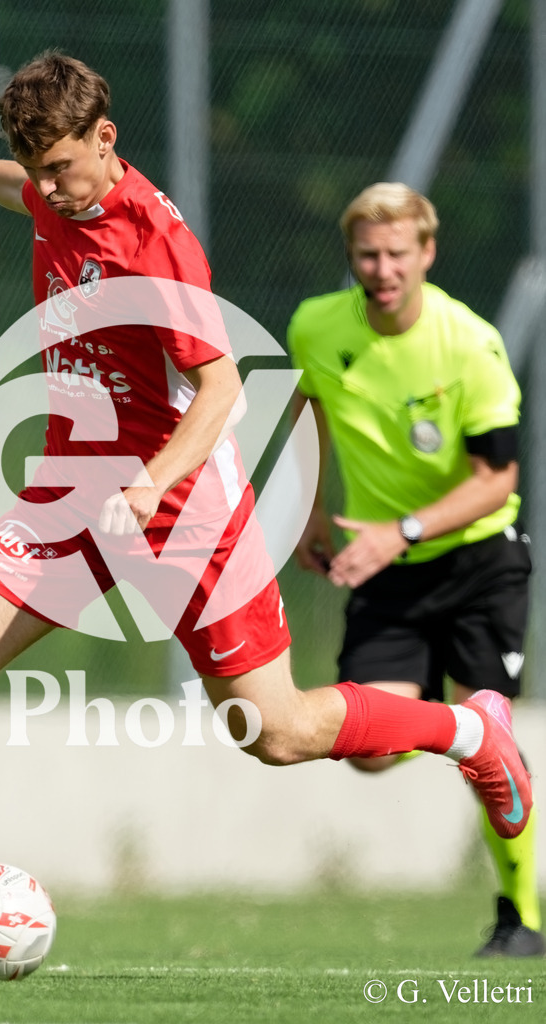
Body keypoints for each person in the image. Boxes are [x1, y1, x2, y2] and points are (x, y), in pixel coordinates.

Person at [0, 54, 533, 978]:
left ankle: (471, 734)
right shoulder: (54, 186)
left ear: (107, 139)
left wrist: (153, 482)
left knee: (278, 732)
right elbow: (23, 188)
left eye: (64, 170)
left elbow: (216, 391)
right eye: (38, 169)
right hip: (69, 490)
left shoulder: (158, 245)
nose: (51, 190)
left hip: (186, 503)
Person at [287, 181, 543, 958]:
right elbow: (311, 412)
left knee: (478, 752)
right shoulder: (315, 326)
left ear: (427, 252)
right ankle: (474, 733)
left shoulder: (471, 344)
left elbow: (498, 479)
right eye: (367, 253)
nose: (382, 267)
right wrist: (309, 511)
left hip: (478, 562)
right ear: (351, 256)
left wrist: (398, 531)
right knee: (369, 751)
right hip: (385, 569)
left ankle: (520, 918)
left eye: (397, 253)